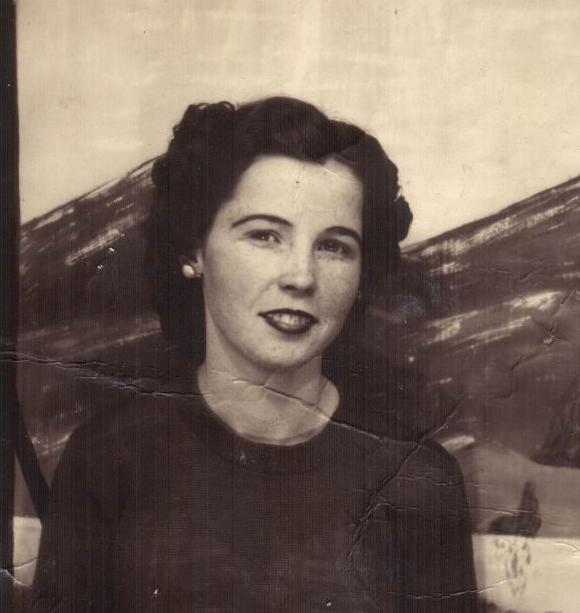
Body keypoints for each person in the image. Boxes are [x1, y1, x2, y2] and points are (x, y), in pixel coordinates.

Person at [30, 97, 477, 612]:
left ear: (362, 273)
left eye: (334, 246)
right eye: (265, 236)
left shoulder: (418, 479)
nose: (301, 276)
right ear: (194, 250)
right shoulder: (109, 459)